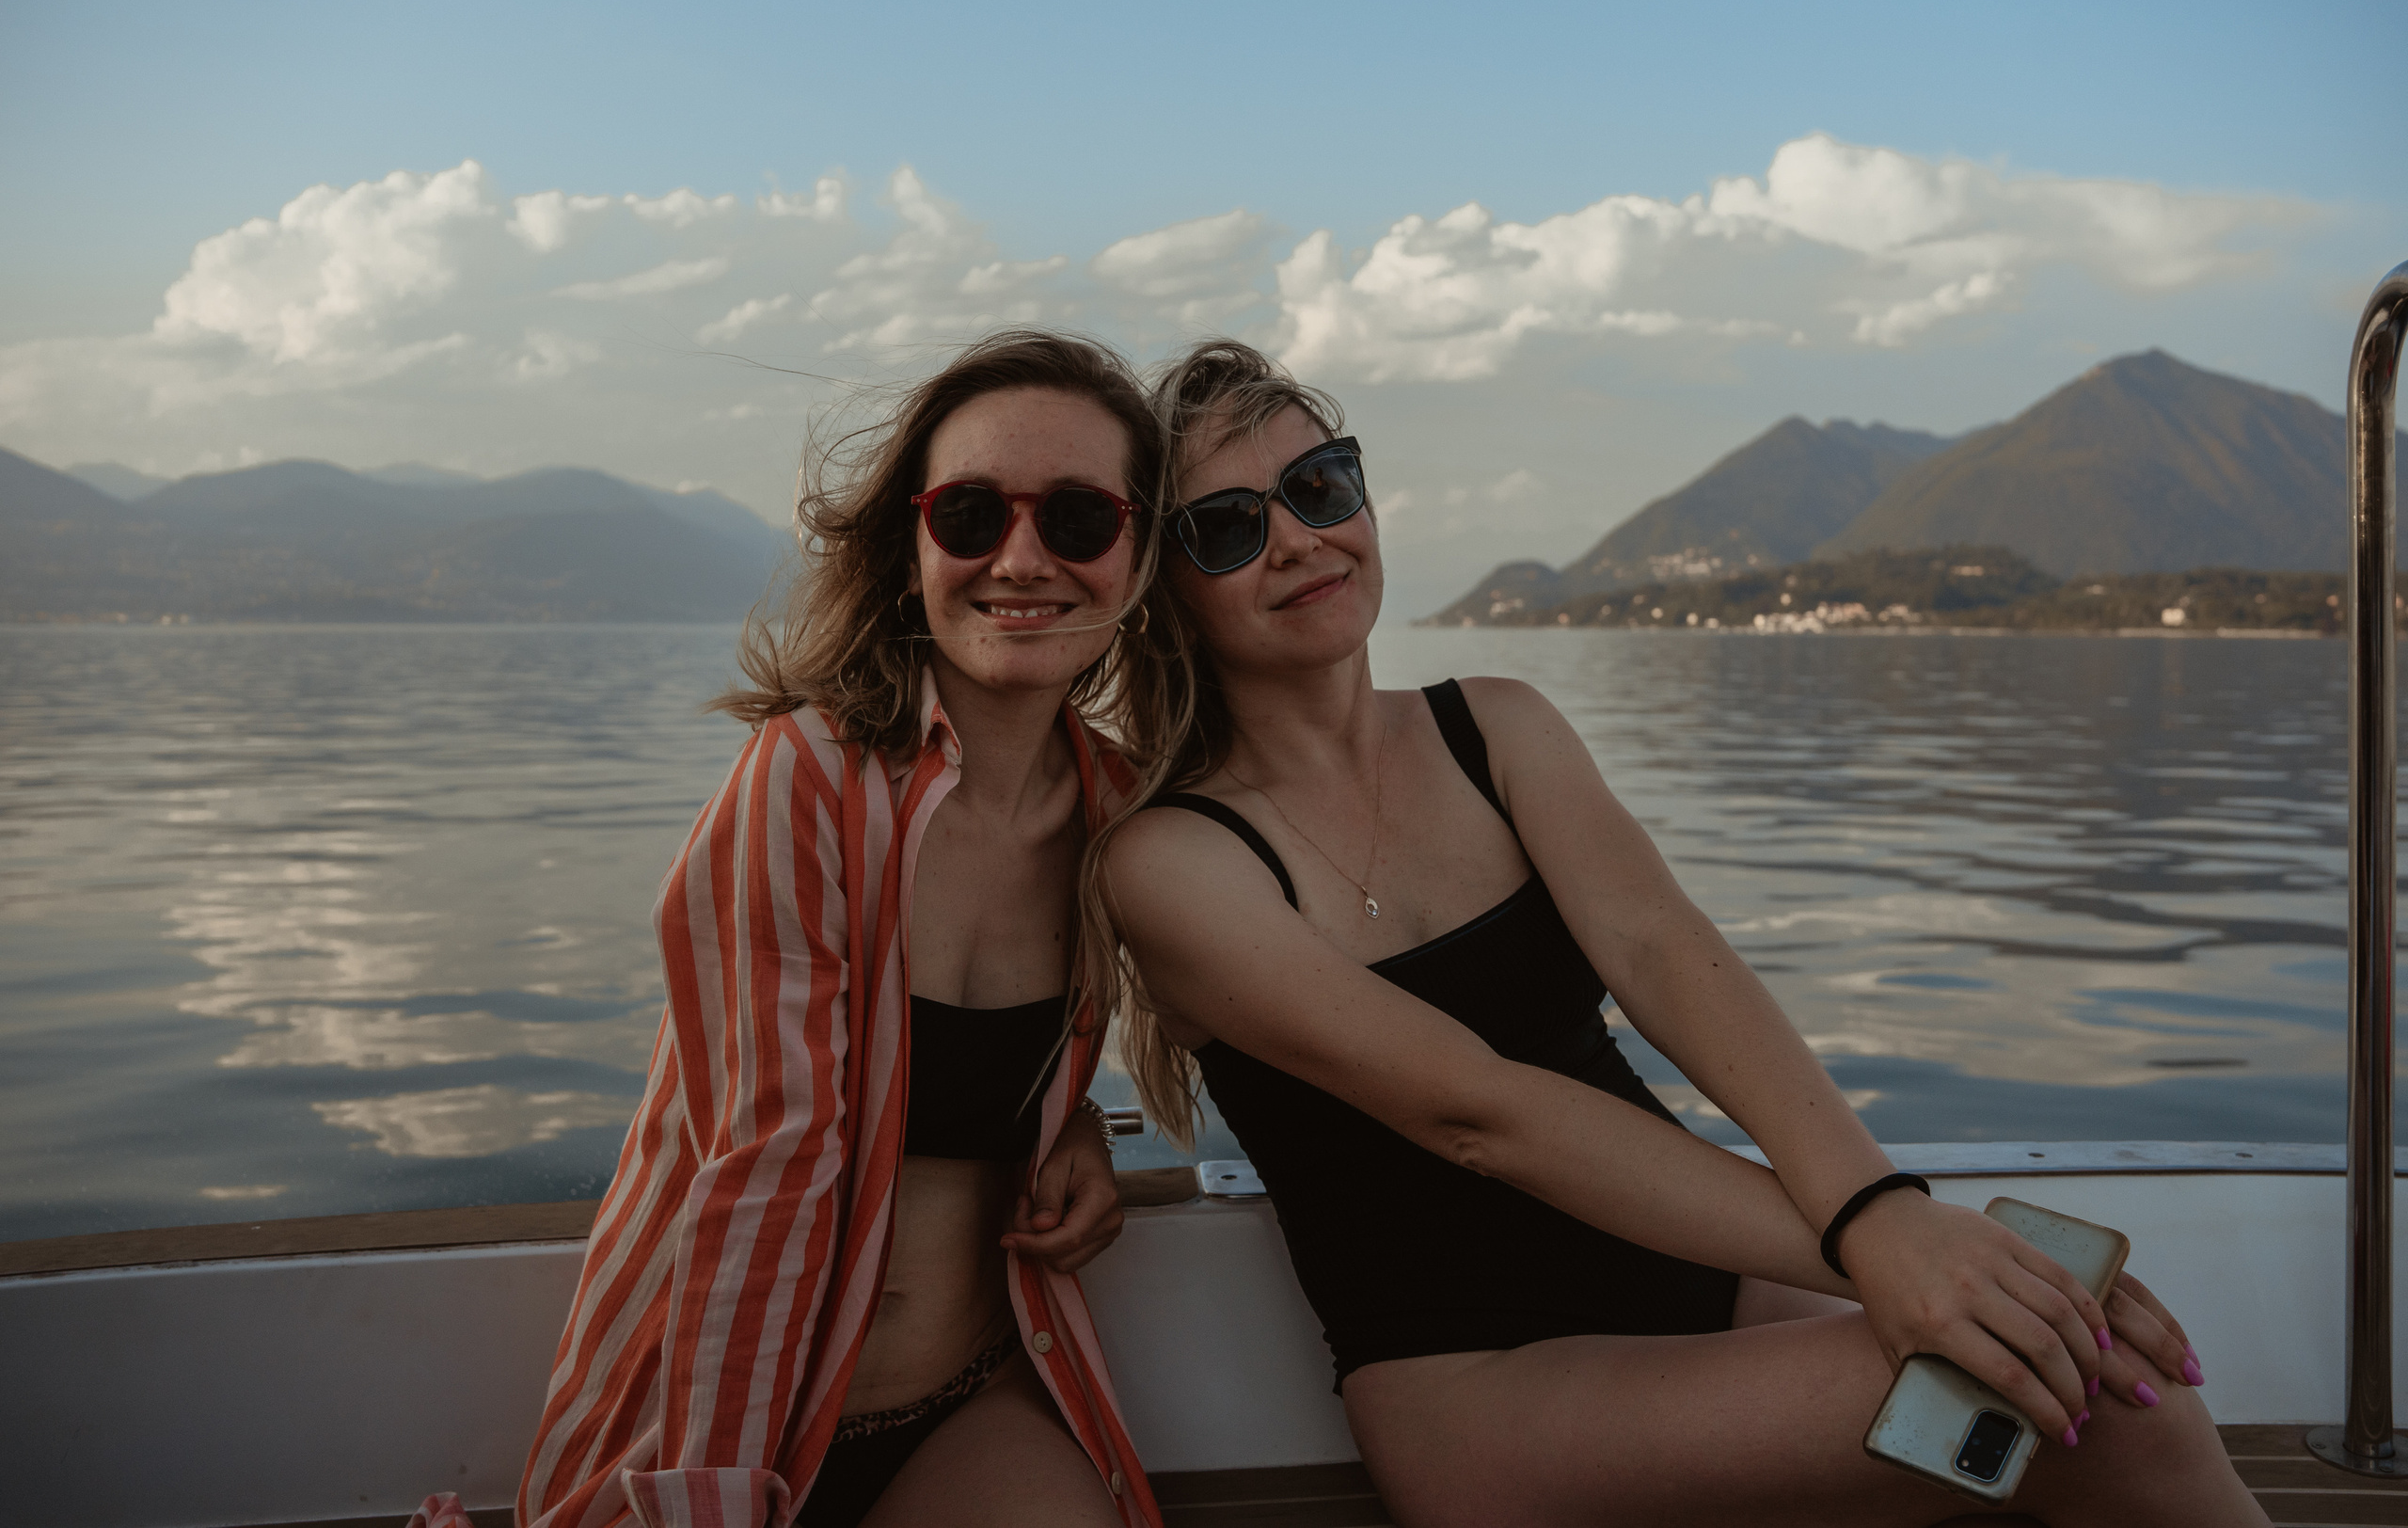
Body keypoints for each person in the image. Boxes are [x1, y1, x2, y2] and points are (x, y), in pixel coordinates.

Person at [1085, 340, 2269, 1527]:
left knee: (2101, 1373)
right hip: (1485, 1387)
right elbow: (1476, 1113)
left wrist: (1892, 1215)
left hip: (1714, 1287)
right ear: (1161, 592)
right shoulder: (1173, 863)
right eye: (1226, 528)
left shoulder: (1497, 728)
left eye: (1318, 486)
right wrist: (1884, 1242)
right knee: (2090, 1403)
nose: (1298, 540)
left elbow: (1665, 953)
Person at [508, 331, 1168, 1528]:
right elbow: (763, 1173)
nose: (1021, 559)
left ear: (1138, 554)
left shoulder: (1122, 817)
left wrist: (1081, 1122)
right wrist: (711, 1497)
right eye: (969, 514)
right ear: (911, 549)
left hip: (970, 1399)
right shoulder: (806, 780)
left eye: (1079, 518)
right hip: (722, 1429)